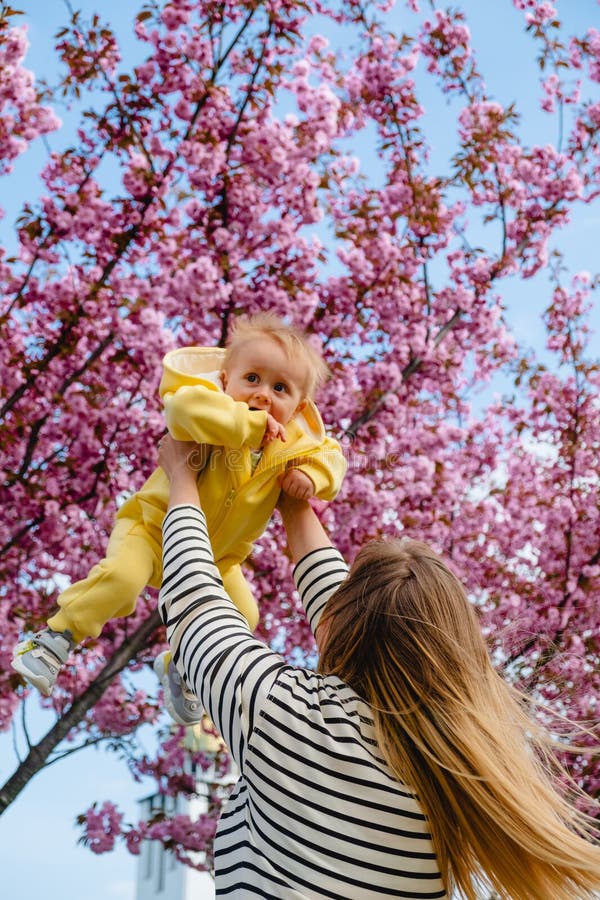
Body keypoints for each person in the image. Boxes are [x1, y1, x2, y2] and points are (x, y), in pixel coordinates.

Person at [156, 433, 600, 899]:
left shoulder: (284, 716)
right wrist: (292, 503)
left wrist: (182, 476)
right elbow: (359, 621)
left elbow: (195, 602)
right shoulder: (452, 766)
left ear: (336, 625)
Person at [12, 314, 346, 723]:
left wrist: (311, 476)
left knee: (245, 616)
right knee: (121, 580)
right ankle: (55, 638)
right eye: (252, 379)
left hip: (217, 559)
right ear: (225, 379)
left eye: (280, 388)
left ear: (300, 406)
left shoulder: (294, 442)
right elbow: (184, 410)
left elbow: (332, 457)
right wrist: (250, 425)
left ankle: (183, 664)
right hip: (152, 531)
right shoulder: (209, 403)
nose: (262, 395)